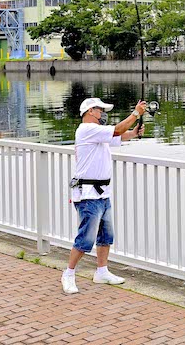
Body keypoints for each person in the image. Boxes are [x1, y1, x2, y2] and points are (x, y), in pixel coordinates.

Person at [61, 97, 147, 295]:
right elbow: (116, 130)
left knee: (106, 236)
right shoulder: (86, 129)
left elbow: (118, 137)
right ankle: (69, 273)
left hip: (102, 193)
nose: (102, 114)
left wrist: (133, 133)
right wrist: (136, 114)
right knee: (85, 239)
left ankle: (102, 271)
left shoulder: (97, 133)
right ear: (90, 111)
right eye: (100, 110)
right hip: (88, 194)